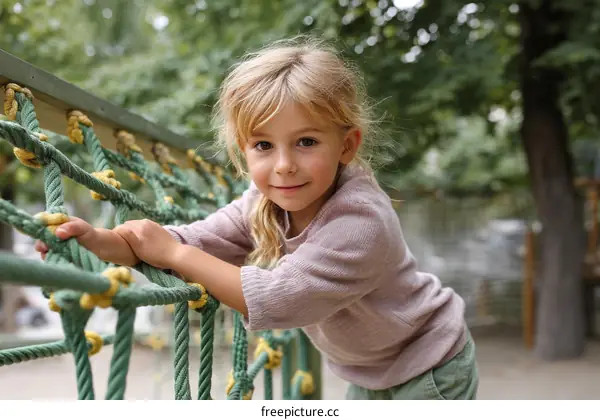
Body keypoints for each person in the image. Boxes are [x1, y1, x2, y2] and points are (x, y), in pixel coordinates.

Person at [35, 36, 478, 400]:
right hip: (370, 370)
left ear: (346, 146)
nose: (283, 165)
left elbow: (280, 298)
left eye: (305, 142)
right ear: (244, 152)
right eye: (263, 146)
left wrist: (171, 251)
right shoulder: (262, 201)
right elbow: (194, 240)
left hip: (429, 364)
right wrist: (107, 242)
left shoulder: (360, 221)